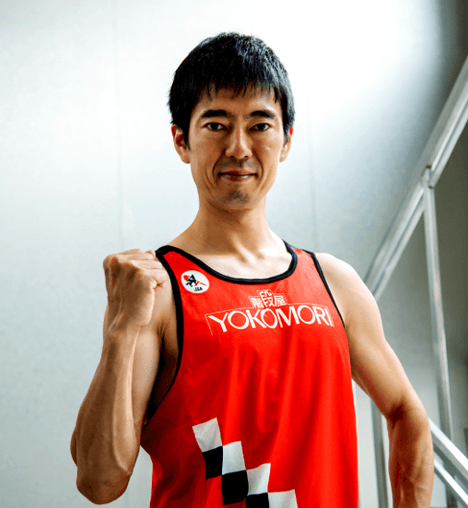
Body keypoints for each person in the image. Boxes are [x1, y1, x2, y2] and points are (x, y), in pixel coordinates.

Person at [71, 32, 434, 507]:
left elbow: (407, 412)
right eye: (216, 124)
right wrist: (121, 330)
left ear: (286, 141)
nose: (239, 148)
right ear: (181, 140)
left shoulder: (334, 283)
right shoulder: (158, 289)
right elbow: (99, 482)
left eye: (260, 125)